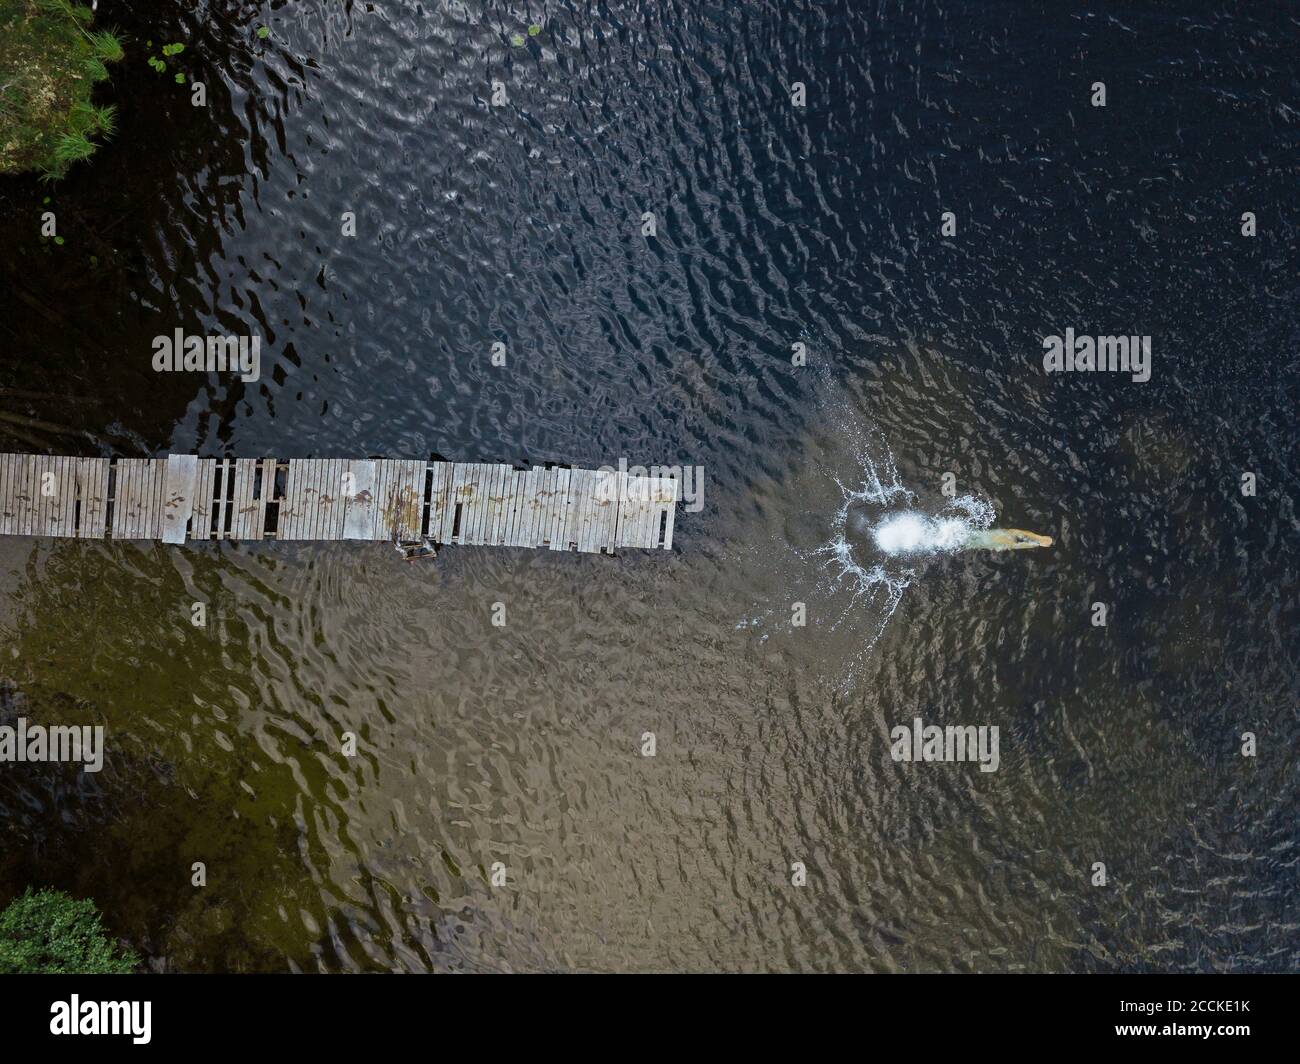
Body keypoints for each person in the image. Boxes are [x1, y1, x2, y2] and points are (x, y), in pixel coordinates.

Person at [964, 528, 1053, 551]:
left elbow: (1023, 533)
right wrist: (1036, 544)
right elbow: (1016, 545)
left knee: (975, 536)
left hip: (999, 534)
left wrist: (1038, 541)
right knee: (970, 543)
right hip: (996, 541)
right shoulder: (1010, 542)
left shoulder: (1032, 535)